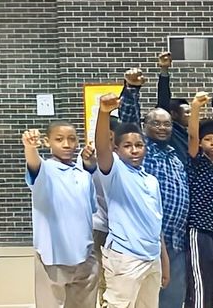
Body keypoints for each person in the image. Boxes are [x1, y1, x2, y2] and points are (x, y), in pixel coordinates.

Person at [119, 68, 189, 308]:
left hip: (177, 242)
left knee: (172, 301)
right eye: (156, 123)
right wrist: (131, 89)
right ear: (145, 126)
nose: (162, 128)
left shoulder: (175, 157)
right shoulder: (142, 151)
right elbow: (127, 120)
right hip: (148, 242)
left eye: (167, 124)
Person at [94, 93, 170, 307]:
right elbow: (101, 148)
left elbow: (156, 223)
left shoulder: (151, 181)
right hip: (125, 258)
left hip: (152, 256)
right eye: (127, 146)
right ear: (116, 149)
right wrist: (104, 113)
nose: (134, 150)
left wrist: (163, 259)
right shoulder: (115, 172)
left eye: (139, 145)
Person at [22, 122, 98, 308]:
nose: (66, 144)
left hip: (85, 257)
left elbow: (91, 211)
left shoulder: (84, 175)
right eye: (59, 139)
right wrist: (30, 147)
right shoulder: (45, 170)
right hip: (52, 259)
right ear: (47, 142)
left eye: (72, 139)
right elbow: (34, 162)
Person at [185, 92, 213, 308]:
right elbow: (192, 137)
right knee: (200, 281)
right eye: (208, 139)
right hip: (198, 230)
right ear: (201, 143)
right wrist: (195, 108)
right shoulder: (197, 162)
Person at [78, 115, 120, 306]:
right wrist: (88, 163)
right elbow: (88, 170)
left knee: (116, 280)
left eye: (112, 137)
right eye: (105, 136)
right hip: (100, 227)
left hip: (122, 230)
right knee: (101, 277)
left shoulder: (123, 157)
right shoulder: (91, 155)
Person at [154, 51, 190, 164]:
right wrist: (164, 71)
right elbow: (164, 100)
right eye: (187, 112)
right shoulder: (171, 130)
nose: (192, 116)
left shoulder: (189, 133)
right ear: (174, 114)